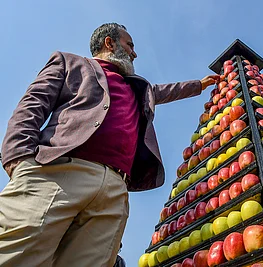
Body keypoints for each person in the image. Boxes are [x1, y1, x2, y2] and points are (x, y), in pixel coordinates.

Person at [0, 22, 219, 266]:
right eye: (130, 44)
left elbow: (166, 91)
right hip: (59, 172)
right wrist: (19, 159)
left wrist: (199, 85)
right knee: (17, 256)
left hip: (115, 189)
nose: (134, 52)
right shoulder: (70, 63)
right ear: (109, 42)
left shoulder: (138, 87)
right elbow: (32, 106)